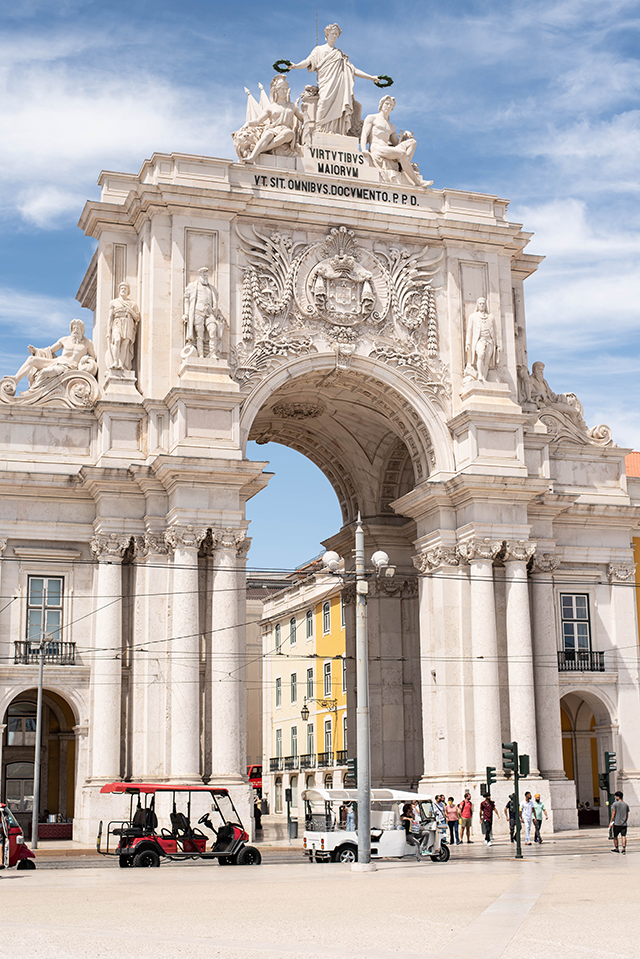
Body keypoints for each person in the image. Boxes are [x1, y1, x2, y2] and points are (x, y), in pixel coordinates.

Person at [288, 23, 381, 135]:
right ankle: (319, 128)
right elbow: (308, 61)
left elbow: (354, 70)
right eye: (332, 33)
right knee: (323, 102)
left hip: (339, 85)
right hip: (326, 82)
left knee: (339, 106)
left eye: (336, 34)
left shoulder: (340, 54)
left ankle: (336, 131)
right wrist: (295, 65)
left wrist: (371, 77)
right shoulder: (319, 50)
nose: (334, 36)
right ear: (327, 35)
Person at [360, 96, 431, 188]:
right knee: (402, 153)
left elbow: (396, 144)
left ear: (392, 108)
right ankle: (417, 181)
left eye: (391, 105)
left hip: (387, 149)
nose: (388, 106)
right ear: (381, 105)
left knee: (413, 142)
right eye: (386, 104)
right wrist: (363, 149)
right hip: (377, 148)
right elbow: (364, 134)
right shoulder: (372, 118)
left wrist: (405, 136)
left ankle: (404, 167)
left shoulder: (391, 127)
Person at [9, 319, 97, 390]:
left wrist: (85, 360)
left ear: (82, 330)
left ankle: (34, 392)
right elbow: (49, 350)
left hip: (68, 367)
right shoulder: (64, 340)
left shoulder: (87, 343)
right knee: (31, 359)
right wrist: (35, 350)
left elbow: (92, 357)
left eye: (77, 328)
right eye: (73, 328)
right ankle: (15, 379)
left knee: (44, 372)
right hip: (57, 362)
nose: (75, 331)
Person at [239, 75, 304, 164]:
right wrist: (248, 123)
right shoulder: (271, 107)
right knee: (267, 134)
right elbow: (258, 121)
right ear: (277, 90)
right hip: (274, 129)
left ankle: (262, 149)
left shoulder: (293, 106)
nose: (285, 91)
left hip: (286, 130)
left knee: (288, 133)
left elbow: (303, 118)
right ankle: (252, 157)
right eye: (282, 89)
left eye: (286, 89)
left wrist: (308, 111)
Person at [183, 267, 218, 358]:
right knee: (200, 335)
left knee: (213, 329)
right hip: (198, 312)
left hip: (209, 313)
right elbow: (186, 300)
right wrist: (186, 314)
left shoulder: (211, 288)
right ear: (200, 275)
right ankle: (201, 354)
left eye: (207, 275)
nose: (206, 277)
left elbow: (215, 300)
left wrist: (215, 308)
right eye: (204, 275)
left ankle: (213, 353)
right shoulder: (192, 286)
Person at [107, 281, 140, 370]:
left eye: (125, 288)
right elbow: (110, 317)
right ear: (119, 290)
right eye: (121, 288)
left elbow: (137, 318)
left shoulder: (133, 303)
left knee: (125, 345)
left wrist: (131, 311)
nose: (123, 290)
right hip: (117, 322)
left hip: (128, 324)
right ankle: (115, 362)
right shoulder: (113, 302)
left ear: (128, 291)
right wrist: (108, 331)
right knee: (117, 340)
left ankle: (121, 364)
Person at [464, 297, 499, 382]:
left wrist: (498, 344)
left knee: (487, 360)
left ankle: (484, 377)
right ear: (477, 305)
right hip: (479, 340)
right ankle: (480, 374)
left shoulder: (491, 317)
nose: (482, 305)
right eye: (480, 303)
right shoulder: (473, 316)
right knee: (481, 354)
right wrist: (468, 343)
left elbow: (495, 332)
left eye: (483, 303)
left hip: (489, 340)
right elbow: (469, 331)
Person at [610, 790, 630, 854]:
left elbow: (613, 813)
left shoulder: (615, 804)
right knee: (623, 836)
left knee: (615, 836)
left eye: (615, 796)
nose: (615, 798)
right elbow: (627, 815)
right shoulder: (626, 805)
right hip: (624, 824)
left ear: (618, 797)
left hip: (616, 823)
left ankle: (617, 848)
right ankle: (623, 848)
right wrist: (625, 820)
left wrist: (611, 821)